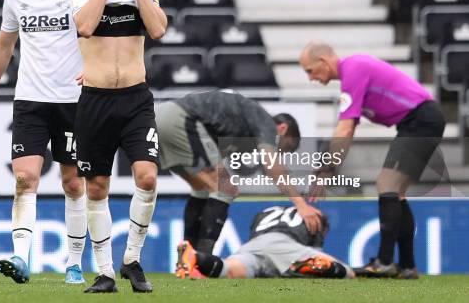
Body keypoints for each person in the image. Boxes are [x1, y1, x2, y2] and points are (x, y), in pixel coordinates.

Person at [0, 0, 87, 284]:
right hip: (30, 100)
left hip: (72, 102)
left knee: (73, 182)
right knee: (25, 178)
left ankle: (73, 263)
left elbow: (99, 37)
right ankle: (21, 258)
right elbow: (4, 44)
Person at [299, 40, 446, 279]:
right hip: (420, 120)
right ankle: (407, 267)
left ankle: (384, 262)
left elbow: (344, 130)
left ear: (324, 62)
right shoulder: (353, 72)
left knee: (386, 185)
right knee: (395, 192)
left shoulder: (353, 70)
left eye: (309, 70)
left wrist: (326, 169)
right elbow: (349, 129)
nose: (310, 77)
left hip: (420, 120)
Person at [72, 0, 167, 293]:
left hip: (135, 99)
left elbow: (157, 28)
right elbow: (83, 26)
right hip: (94, 98)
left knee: (147, 177)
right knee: (96, 187)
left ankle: (132, 259)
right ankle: (105, 272)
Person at [155, 90, 323, 262]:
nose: (278, 152)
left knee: (203, 190)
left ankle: (186, 261)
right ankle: (203, 260)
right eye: (283, 148)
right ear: (282, 128)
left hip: (160, 116)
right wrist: (301, 204)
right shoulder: (266, 123)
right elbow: (271, 164)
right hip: (181, 120)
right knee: (226, 189)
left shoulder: (241, 128)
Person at [176, 205, 354, 280]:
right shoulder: (314, 216)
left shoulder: (265, 212)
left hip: (255, 245)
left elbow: (254, 233)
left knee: (229, 269)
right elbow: (314, 249)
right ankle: (299, 268)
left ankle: (195, 257)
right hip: (288, 245)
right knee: (348, 272)